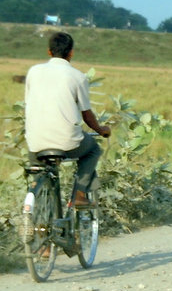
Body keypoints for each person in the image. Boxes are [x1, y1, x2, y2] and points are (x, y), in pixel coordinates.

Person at [25, 32, 111, 206]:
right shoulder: (78, 76)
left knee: (38, 166)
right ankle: (79, 194)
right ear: (71, 52)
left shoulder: (33, 72)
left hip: (35, 142)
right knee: (93, 149)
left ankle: (36, 190)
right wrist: (101, 130)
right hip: (67, 143)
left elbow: (29, 104)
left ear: (49, 52)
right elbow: (87, 115)